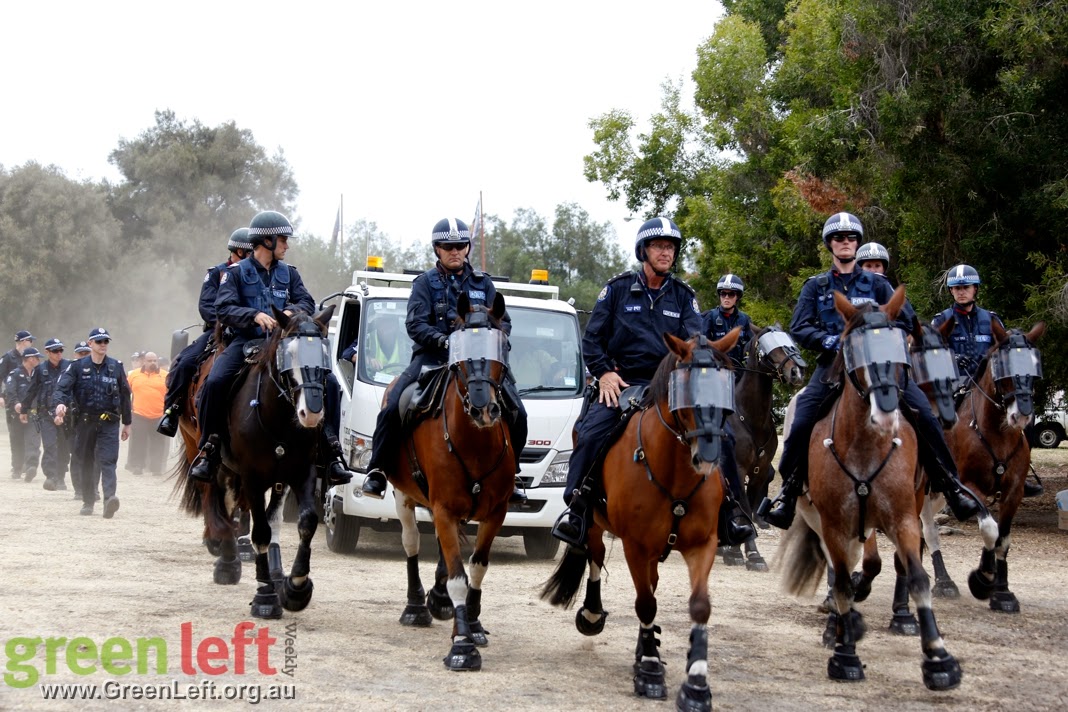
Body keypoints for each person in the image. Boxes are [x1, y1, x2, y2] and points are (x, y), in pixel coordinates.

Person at [758, 213, 983, 528]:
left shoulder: (878, 284)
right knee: (803, 420)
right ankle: (788, 491)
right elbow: (800, 326)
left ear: (857, 243)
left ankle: (951, 485)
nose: (845, 242)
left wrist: (885, 334)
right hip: (834, 366)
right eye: (839, 238)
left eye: (851, 238)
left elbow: (908, 321)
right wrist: (831, 339)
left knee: (925, 416)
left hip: (882, 366)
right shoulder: (816, 286)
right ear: (830, 245)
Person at [551, 217, 754, 548]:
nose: (666, 252)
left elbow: (695, 340)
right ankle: (577, 510)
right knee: (590, 432)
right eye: (659, 246)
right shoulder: (616, 290)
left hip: (673, 385)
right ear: (643, 250)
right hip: (623, 381)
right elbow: (592, 341)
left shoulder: (684, 297)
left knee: (724, 435)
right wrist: (603, 372)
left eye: (671, 247)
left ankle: (731, 511)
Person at [360, 217, 529, 501]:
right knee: (393, 406)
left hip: (478, 364)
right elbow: (415, 324)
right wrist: (444, 339)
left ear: (467, 248)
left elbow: (504, 322)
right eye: (448, 246)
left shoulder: (483, 283)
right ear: (437, 249)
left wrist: (494, 338)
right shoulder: (424, 284)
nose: (455, 251)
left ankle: (513, 476)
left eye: (460, 245)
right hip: (433, 358)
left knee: (518, 412)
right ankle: (377, 469)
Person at [188, 211, 354, 487]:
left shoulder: (290, 274)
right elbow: (223, 308)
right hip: (245, 342)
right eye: (283, 240)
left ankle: (331, 450)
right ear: (266, 240)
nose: (287, 245)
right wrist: (252, 315)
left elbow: (307, 302)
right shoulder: (234, 274)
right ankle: (210, 448)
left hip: (285, 344)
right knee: (215, 382)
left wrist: (292, 310)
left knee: (331, 383)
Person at [931, 264, 1042, 497]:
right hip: (956, 381)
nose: (961, 291)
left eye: (966, 287)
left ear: (975, 289)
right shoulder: (941, 319)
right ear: (951, 291)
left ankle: (1022, 472)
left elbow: (1005, 351)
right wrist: (953, 358)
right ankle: (936, 473)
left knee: (1025, 419)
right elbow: (931, 354)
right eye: (956, 288)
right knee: (935, 419)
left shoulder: (991, 319)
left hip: (988, 383)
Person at [157, 227, 252, 436]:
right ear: (238, 251)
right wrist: (225, 324)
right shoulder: (216, 274)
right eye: (249, 252)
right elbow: (206, 306)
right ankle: (172, 410)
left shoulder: (255, 274)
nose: (252, 256)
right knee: (185, 362)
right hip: (218, 331)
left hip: (249, 332)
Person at [53, 327, 132, 518]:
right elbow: (61, 389)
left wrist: (127, 423)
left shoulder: (115, 366)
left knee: (108, 460)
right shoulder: (77, 367)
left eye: (106, 341)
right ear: (90, 344)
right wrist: (59, 405)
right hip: (85, 421)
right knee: (86, 461)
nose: (103, 344)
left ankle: (109, 499)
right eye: (99, 341)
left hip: (109, 422)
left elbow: (125, 395)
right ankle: (88, 501)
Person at [15, 338, 72, 490]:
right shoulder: (40, 370)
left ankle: (60, 476)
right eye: (55, 351)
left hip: (66, 414)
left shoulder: (69, 367)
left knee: (64, 447)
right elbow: (32, 390)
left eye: (61, 350)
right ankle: (51, 476)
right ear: (47, 352)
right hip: (46, 414)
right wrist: (24, 409)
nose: (59, 353)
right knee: (50, 445)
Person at [127, 351, 170, 475]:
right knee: (139, 441)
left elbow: (171, 393)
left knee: (158, 442)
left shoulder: (166, 376)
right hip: (139, 414)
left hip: (159, 415)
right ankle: (138, 466)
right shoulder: (133, 375)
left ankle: (156, 467)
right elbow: (124, 392)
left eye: (155, 361)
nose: (153, 363)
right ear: (144, 362)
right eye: (150, 361)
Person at [1, 330, 36, 478]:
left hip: (30, 404)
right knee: (16, 436)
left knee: (31, 436)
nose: (31, 343)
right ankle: (17, 467)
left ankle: (29, 466)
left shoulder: (32, 357)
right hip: (12, 401)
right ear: (22, 341)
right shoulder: (8, 358)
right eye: (29, 341)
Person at [6, 347, 43, 482]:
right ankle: (17, 468)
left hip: (33, 414)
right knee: (17, 442)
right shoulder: (14, 374)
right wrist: (16, 404)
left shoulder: (40, 375)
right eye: (37, 358)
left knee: (33, 441)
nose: (39, 361)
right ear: (30, 359)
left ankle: (31, 467)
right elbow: (10, 392)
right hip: (16, 415)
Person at [702, 274, 752, 365]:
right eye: (723, 294)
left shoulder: (745, 319)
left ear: (738, 297)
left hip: (739, 369)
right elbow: (702, 346)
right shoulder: (710, 317)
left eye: (731, 294)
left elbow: (752, 345)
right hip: (715, 370)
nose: (726, 297)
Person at [342, 314, 408, 381]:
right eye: (384, 322)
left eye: (391, 322)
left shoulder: (405, 341)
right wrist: (367, 360)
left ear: (396, 326)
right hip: (372, 382)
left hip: (399, 383)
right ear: (378, 324)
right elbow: (346, 353)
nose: (387, 327)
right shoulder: (367, 338)